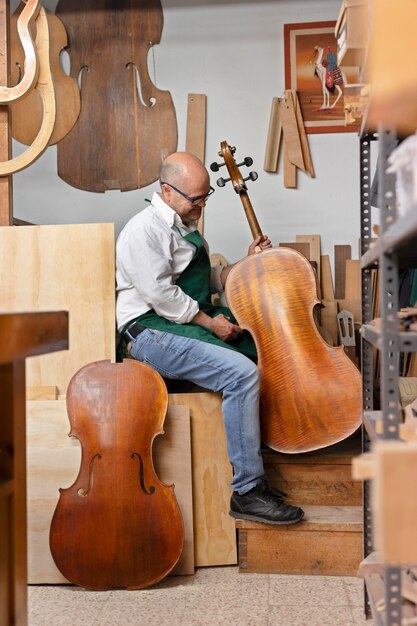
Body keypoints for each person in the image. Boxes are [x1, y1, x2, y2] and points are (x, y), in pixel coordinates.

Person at [116, 151, 304, 525]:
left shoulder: (181, 224)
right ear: (166, 191)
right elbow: (163, 297)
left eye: (205, 197)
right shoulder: (144, 230)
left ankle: (279, 444)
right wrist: (210, 322)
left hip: (178, 321)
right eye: (195, 199)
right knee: (241, 374)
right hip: (149, 331)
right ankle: (247, 492)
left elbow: (205, 278)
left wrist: (242, 265)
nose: (201, 205)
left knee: (258, 344)